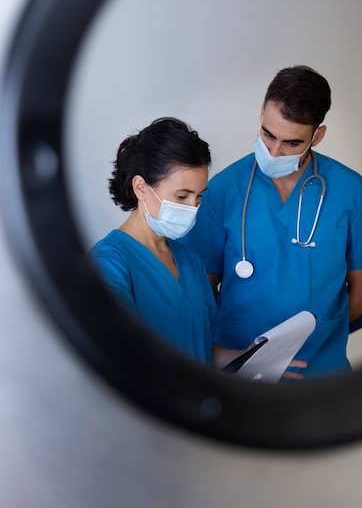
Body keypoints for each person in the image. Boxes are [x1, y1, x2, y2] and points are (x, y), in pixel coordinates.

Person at [182, 65, 362, 378]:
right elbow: (201, 291)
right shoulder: (223, 190)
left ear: (317, 136)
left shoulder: (352, 191)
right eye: (268, 134)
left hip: (320, 371)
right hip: (237, 368)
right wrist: (241, 358)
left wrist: (317, 337)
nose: (274, 151)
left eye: (292, 143)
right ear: (261, 114)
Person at [90, 117, 307, 377]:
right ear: (141, 187)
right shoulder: (110, 263)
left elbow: (202, 352)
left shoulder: (190, 260)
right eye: (182, 196)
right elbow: (116, 357)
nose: (193, 207)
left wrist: (249, 359)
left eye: (199, 196)